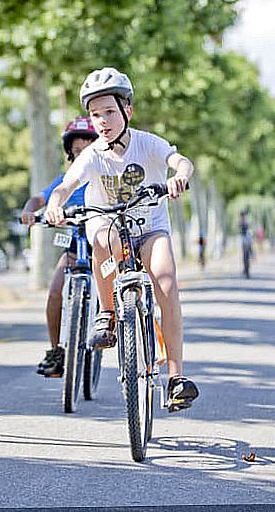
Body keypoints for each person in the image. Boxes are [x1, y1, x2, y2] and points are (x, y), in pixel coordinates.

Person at [44, 68, 199, 411]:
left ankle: (175, 378)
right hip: (111, 232)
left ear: (127, 111)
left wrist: (179, 177)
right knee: (100, 239)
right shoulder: (92, 155)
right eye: (95, 115)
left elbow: (181, 161)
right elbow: (66, 186)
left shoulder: (147, 143)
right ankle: (108, 314)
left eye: (110, 112)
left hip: (150, 229)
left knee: (166, 282)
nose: (102, 121)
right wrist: (56, 204)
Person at [20, 116, 98, 378]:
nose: (81, 156)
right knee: (55, 292)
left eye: (87, 151)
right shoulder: (64, 181)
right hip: (77, 245)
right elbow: (39, 199)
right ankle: (56, 351)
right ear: (69, 154)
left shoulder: (106, 176)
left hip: (105, 246)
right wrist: (30, 211)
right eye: (76, 152)